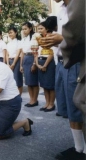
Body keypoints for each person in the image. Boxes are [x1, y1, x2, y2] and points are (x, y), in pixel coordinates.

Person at [40, 0, 85, 159]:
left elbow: (77, 36)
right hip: (61, 62)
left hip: (76, 62)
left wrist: (60, 39)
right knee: (67, 105)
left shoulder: (80, 4)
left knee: (79, 105)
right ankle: (78, 147)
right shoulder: (61, 9)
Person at [36, 22, 56, 112]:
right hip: (40, 61)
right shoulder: (38, 38)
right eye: (38, 29)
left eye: (41, 28)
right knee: (44, 85)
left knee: (50, 85)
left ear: (46, 29)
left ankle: (51, 104)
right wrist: (37, 64)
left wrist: (44, 65)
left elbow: (51, 53)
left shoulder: (50, 37)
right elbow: (35, 52)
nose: (39, 30)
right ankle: (47, 103)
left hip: (48, 62)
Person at [20, 22, 39, 107]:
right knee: (28, 81)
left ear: (30, 28)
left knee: (33, 81)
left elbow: (36, 51)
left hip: (32, 57)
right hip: (26, 59)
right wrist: (21, 65)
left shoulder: (35, 37)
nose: (24, 31)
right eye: (23, 29)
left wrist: (35, 63)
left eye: (25, 29)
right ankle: (31, 99)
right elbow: (22, 53)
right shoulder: (24, 39)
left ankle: (35, 100)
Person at [5, 27, 23, 95]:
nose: (10, 34)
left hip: (16, 61)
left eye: (11, 32)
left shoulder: (19, 42)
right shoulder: (8, 43)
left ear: (16, 33)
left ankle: (19, 96)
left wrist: (13, 64)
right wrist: (7, 64)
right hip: (9, 61)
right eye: (9, 33)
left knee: (17, 79)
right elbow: (7, 54)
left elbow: (18, 54)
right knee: (10, 79)